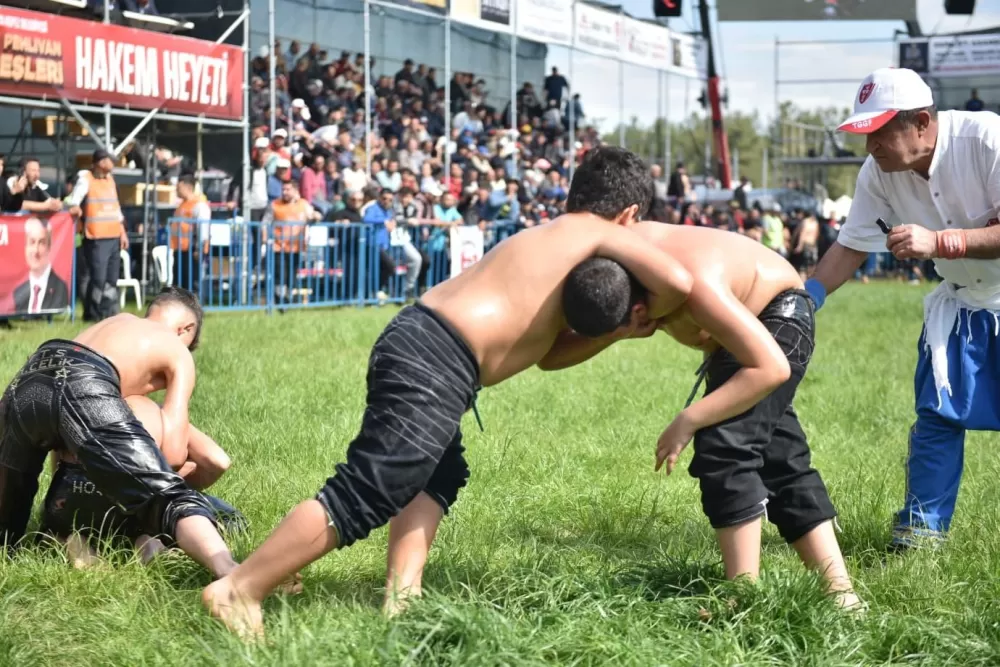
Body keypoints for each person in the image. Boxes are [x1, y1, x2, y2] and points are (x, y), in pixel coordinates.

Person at [201, 146, 695, 639]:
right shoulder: (596, 231)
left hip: (429, 347)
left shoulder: (555, 241)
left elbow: (548, 355)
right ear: (628, 215)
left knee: (438, 471)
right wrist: (648, 316)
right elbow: (678, 281)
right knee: (371, 488)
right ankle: (241, 587)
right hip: (435, 354)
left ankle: (402, 597)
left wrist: (617, 332)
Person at [541, 224, 861, 611]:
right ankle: (842, 596)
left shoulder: (691, 286)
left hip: (778, 320)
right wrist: (615, 333)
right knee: (781, 459)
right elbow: (551, 358)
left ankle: (742, 599)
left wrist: (688, 420)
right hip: (748, 335)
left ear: (639, 309)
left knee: (725, 446)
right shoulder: (628, 277)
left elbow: (771, 368)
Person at [803, 67, 1000, 549]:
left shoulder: (987, 138)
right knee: (937, 416)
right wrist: (801, 303)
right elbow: (850, 248)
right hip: (962, 307)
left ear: (921, 122)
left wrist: (940, 241)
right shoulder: (879, 173)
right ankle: (921, 534)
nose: (870, 146)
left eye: (879, 131)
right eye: (864, 133)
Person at [0, 287, 237, 579]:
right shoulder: (175, 348)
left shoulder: (115, 324)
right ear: (186, 330)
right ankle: (232, 572)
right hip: (84, 376)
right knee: (169, 497)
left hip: (32, 371)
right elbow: (173, 456)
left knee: (6, 514)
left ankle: (36, 542)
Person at [42, 394, 245, 569]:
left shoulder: (79, 400)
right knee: (230, 518)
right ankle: (148, 543)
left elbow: (58, 462)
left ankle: (70, 538)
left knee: (67, 518)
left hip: (71, 495)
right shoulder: (150, 408)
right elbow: (217, 462)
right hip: (133, 505)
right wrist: (174, 487)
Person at [66, 149, 129, 322]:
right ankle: (92, 314)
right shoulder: (86, 180)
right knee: (98, 279)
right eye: (110, 161)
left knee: (111, 279)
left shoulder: (110, 180)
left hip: (113, 236)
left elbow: (116, 210)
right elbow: (73, 201)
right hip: (95, 238)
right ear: (101, 162)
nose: (113, 164)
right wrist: (75, 209)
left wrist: (122, 232)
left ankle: (108, 312)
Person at [13, 216, 70, 314]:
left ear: (49, 248)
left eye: (42, 243)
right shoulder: (17, 292)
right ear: (25, 247)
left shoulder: (60, 287)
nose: (36, 250)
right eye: (32, 242)